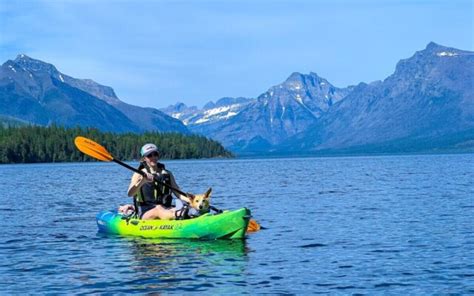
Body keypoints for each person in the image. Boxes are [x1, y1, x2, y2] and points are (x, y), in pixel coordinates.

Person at [126, 143, 191, 220]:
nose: (153, 157)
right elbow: (130, 193)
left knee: (164, 208)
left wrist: (191, 200)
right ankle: (179, 215)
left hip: (165, 208)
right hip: (145, 211)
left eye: (155, 154)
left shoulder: (167, 173)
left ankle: (182, 214)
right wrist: (142, 181)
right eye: (149, 155)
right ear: (144, 158)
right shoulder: (139, 174)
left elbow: (178, 193)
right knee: (158, 209)